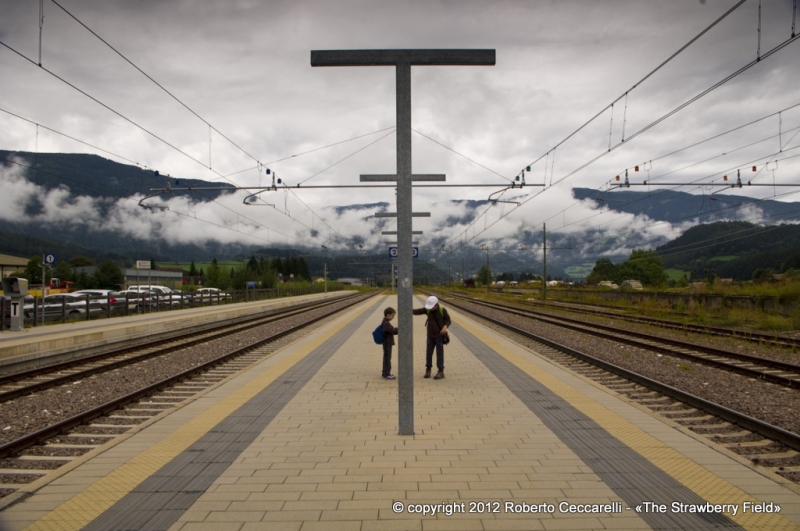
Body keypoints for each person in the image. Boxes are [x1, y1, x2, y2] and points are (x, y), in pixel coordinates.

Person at [413, 296, 451, 380]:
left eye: (432, 306)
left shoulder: (442, 310)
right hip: (430, 335)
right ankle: (428, 369)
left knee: (439, 353)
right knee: (429, 353)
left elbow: (448, 320)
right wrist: (406, 309)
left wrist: (445, 326)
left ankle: (441, 371)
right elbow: (416, 311)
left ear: (436, 304)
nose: (431, 308)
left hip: (439, 335)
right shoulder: (427, 309)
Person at [381, 307, 399, 379]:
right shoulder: (386, 323)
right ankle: (387, 373)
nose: (393, 317)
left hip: (386, 342)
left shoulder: (385, 322)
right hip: (387, 343)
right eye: (392, 316)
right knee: (387, 358)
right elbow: (393, 331)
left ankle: (385, 372)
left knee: (386, 357)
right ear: (388, 315)